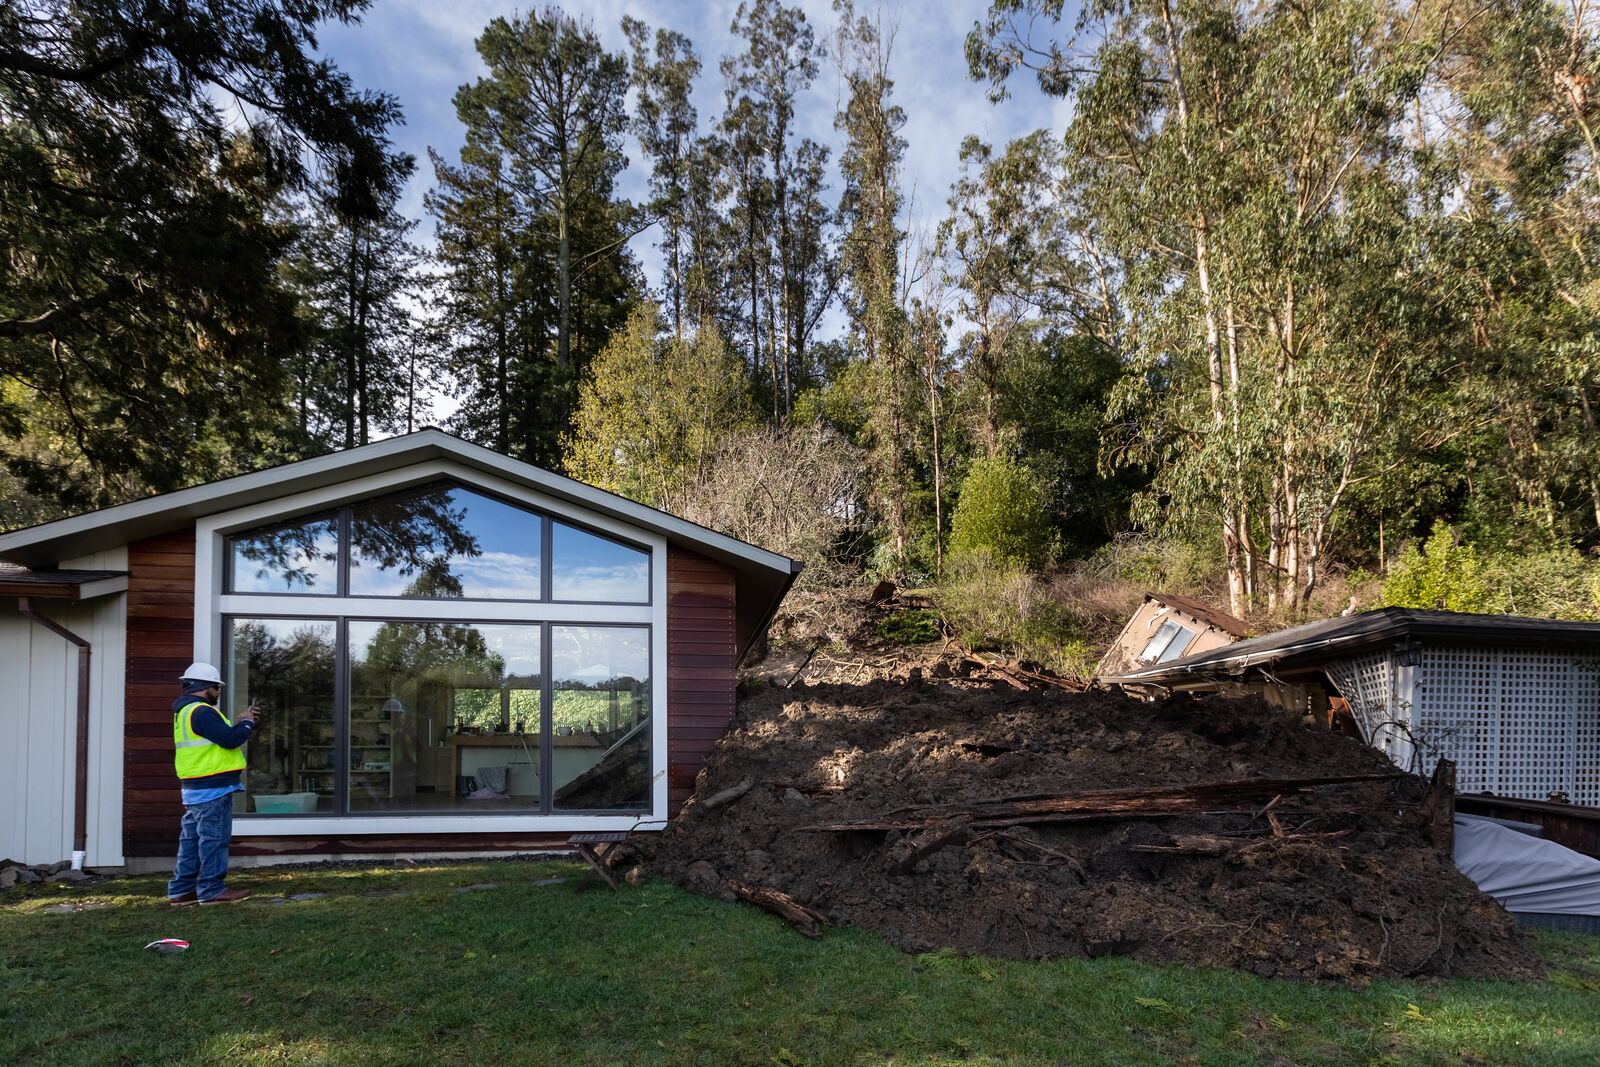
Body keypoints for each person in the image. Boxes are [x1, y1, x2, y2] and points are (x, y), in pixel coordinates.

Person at [166, 662, 258, 906]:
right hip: (211, 789)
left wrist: (239, 722)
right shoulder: (201, 711)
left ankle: (181, 891)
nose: (218, 693)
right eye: (217, 688)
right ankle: (211, 890)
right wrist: (247, 722)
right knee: (214, 840)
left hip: (196, 787)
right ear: (206, 687)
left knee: (192, 841)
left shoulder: (184, 712)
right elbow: (230, 740)